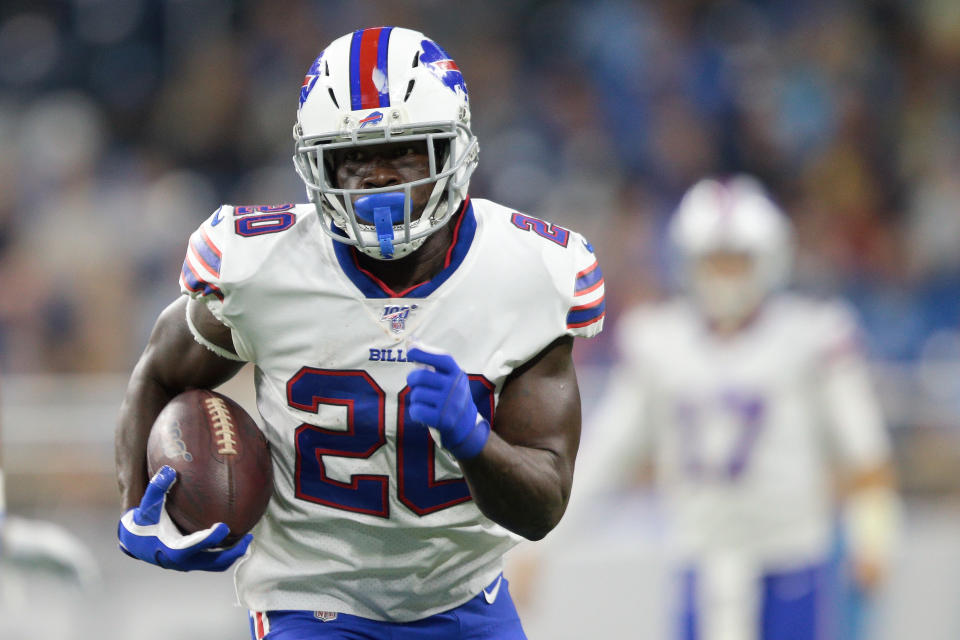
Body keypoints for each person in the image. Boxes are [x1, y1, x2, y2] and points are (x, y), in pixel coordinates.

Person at [114, 26, 604, 640]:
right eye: (352, 157)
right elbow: (160, 373)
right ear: (317, 164)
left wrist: (475, 442)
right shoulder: (261, 266)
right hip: (308, 593)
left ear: (452, 152)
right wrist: (138, 510)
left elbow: (543, 508)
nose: (377, 178)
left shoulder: (530, 274)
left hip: (463, 595)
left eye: (403, 151)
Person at [520, 176, 899, 640]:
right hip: (700, 558)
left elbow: (866, 455)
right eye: (713, 261)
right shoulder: (659, 342)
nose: (724, 275)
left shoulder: (813, 336)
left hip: (792, 557)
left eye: (737, 261)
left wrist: (874, 537)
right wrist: (539, 544)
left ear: (768, 261)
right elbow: (606, 457)